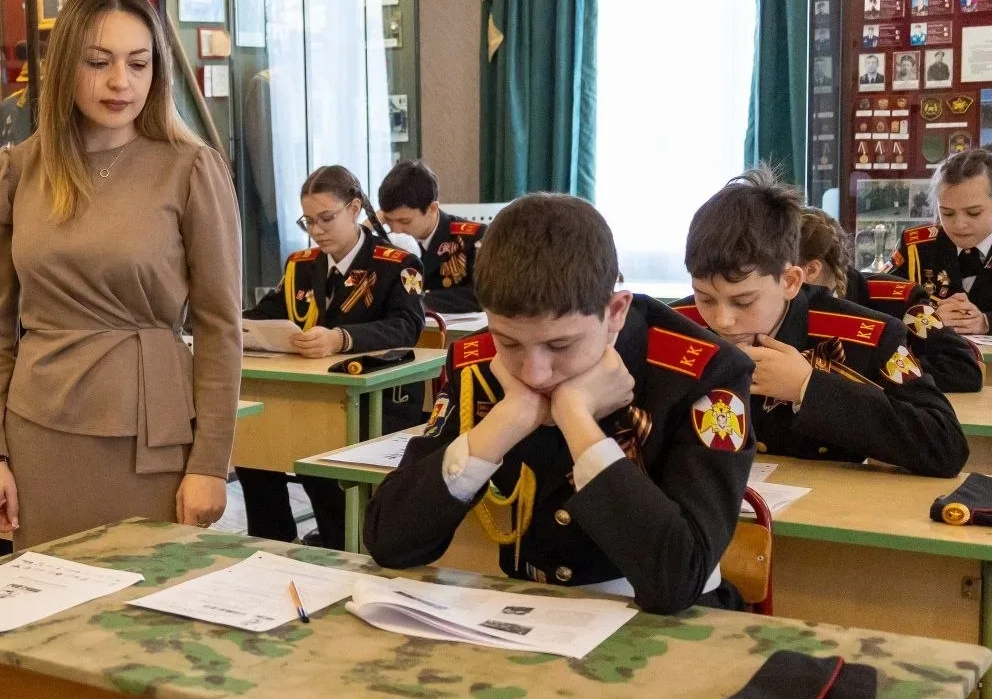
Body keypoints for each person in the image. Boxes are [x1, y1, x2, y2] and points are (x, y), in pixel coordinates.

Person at [364, 194, 755, 614]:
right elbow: (390, 542)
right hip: (533, 612)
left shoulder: (702, 373)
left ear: (615, 311)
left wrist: (577, 420)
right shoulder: (478, 363)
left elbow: (677, 581)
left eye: (560, 345)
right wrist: (503, 423)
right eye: (509, 342)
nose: (534, 374)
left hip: (667, 621)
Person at [0, 0, 243, 543]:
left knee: (151, 592)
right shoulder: (19, 169)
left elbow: (220, 328)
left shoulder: (190, 168)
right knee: (45, 591)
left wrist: (211, 464)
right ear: (65, 67)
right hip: (38, 433)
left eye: (138, 64)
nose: (122, 82)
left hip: (151, 434)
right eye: (99, 62)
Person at [673, 167, 966, 478]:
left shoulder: (864, 335)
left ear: (790, 281)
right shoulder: (673, 328)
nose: (722, 320)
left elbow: (946, 445)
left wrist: (808, 387)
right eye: (705, 298)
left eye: (743, 301)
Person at [238, 165, 425, 547]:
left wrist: (341, 339)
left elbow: (407, 325)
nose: (317, 230)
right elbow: (266, 312)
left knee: (320, 466)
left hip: (371, 396)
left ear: (354, 209)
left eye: (326, 218)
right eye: (308, 221)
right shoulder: (301, 265)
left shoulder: (395, 263)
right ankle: (271, 542)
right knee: (253, 451)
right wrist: (233, 324)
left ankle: (339, 544)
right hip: (309, 391)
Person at [800, 207, 982, 392]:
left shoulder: (898, 298)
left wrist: (876, 367)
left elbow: (963, 369)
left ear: (810, 270)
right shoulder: (787, 306)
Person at [891, 148, 992, 333]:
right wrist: (925, 319)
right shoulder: (916, 246)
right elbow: (876, 306)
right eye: (947, 213)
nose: (959, 224)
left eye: (973, 213)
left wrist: (986, 322)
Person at [377, 159, 486, 314]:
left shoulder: (474, 237)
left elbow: (481, 295)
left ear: (432, 208)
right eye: (388, 220)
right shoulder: (386, 241)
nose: (396, 230)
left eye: (404, 221)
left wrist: (417, 302)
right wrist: (369, 226)